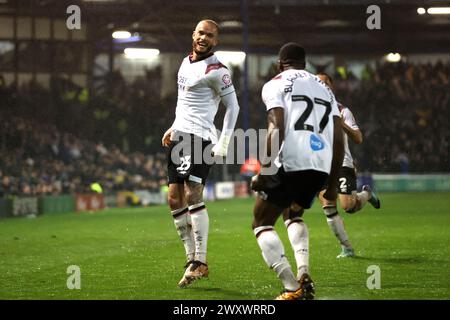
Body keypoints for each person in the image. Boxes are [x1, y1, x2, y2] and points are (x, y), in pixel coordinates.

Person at [251, 43, 344, 300]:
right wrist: (333, 183)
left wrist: (266, 170)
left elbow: (276, 125)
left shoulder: (275, 83)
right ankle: (304, 273)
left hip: (291, 161)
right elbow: (338, 138)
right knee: (293, 214)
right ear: (306, 63)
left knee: (261, 222)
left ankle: (292, 288)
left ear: (280, 64)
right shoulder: (324, 88)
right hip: (320, 165)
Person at [161, 20, 240, 288]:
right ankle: (191, 259)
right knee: (174, 199)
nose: (204, 37)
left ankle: (201, 260)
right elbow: (184, 101)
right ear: (193, 34)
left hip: (201, 137)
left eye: (210, 35)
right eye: (200, 32)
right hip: (180, 135)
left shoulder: (218, 70)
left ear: (216, 41)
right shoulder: (185, 62)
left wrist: (225, 142)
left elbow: (234, 107)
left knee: (193, 192)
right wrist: (172, 127)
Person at [316, 73, 381, 258]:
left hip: (341, 163)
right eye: (317, 82)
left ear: (331, 87)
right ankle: (347, 247)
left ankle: (366, 194)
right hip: (320, 166)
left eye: (324, 83)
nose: (320, 85)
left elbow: (358, 138)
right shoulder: (309, 109)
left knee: (348, 206)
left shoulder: (343, 110)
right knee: (328, 205)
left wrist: (339, 122)